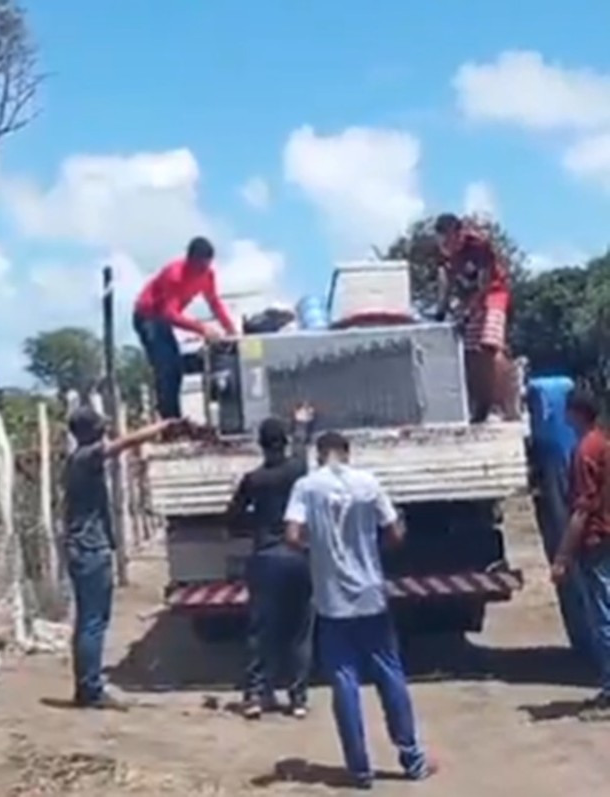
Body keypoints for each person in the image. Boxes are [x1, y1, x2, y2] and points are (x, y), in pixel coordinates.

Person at [285, 431, 436, 789]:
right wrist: (372, 550)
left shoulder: (307, 487)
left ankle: (359, 768)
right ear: (347, 453)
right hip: (371, 594)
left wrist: (318, 552)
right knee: (390, 674)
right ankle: (412, 758)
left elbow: (292, 536)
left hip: (332, 600)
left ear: (319, 455)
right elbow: (395, 533)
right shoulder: (368, 483)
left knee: (344, 682)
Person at [64, 407, 186, 709]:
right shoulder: (85, 457)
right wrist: (162, 426)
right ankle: (90, 690)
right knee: (93, 622)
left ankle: (86, 686)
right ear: (89, 431)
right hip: (90, 549)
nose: (105, 429)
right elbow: (124, 443)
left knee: (89, 620)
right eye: (100, 425)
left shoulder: (76, 460)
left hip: (83, 548)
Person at [226, 405, 315, 720]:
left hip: (264, 557)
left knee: (261, 630)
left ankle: (254, 695)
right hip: (297, 557)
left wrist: (254, 524)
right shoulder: (297, 471)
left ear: (261, 445)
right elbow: (302, 449)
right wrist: (302, 424)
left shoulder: (253, 480)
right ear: (284, 442)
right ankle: (298, 698)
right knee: (299, 630)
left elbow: (233, 518)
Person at [133, 236, 238, 419]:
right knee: (166, 366)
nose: (202, 271)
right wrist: (202, 329)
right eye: (199, 267)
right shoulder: (175, 275)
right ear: (190, 260)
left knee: (177, 367)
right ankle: (169, 419)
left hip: (162, 320)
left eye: (206, 266)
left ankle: (173, 416)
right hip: (147, 316)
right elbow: (169, 313)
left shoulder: (208, 275)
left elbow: (214, 303)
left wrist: (230, 329)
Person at [551, 387, 610, 710]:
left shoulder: (584, 451)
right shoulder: (604, 444)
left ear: (575, 414)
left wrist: (562, 556)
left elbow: (581, 510)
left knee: (603, 617)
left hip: (596, 541)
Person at [433, 212, 514, 422]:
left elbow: (484, 283)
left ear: (459, 233)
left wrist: (470, 310)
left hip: (493, 294)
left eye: (450, 240)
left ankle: (502, 405)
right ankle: (481, 406)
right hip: (469, 301)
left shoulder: (478, 245)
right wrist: (441, 311)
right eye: (443, 243)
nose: (447, 246)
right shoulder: (445, 255)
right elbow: (446, 283)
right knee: (470, 352)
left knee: (490, 345)